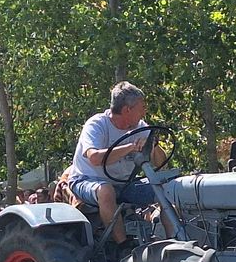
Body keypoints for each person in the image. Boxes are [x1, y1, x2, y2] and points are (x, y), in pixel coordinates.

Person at [65, 81, 167, 247]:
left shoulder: (141, 128)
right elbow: (95, 158)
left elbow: (160, 164)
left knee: (166, 187)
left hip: (125, 184)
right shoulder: (97, 125)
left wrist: (153, 145)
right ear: (128, 110)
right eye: (141, 108)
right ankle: (123, 246)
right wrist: (130, 148)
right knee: (106, 190)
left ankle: (172, 242)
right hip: (86, 180)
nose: (144, 112)